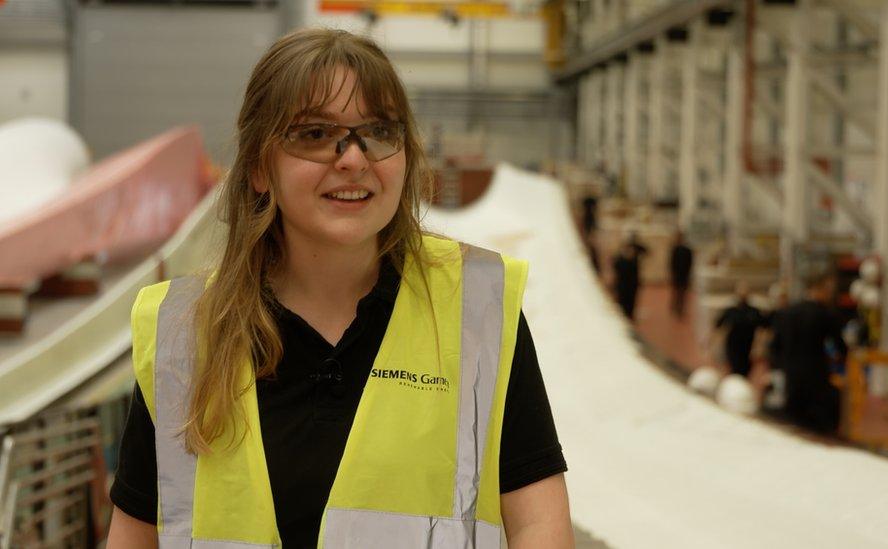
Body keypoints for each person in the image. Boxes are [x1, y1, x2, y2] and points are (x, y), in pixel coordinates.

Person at [106, 29, 572, 549]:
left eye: (377, 131)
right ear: (261, 166)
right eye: (314, 134)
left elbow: (539, 525)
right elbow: (136, 536)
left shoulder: (477, 310)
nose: (353, 159)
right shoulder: (185, 335)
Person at [769, 271, 847, 435]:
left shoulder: (787, 313)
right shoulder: (825, 314)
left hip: (791, 373)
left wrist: (778, 368)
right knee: (816, 424)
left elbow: (775, 346)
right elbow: (840, 347)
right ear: (819, 289)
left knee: (793, 423)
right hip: (816, 375)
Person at [712, 282, 766, 378]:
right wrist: (715, 346)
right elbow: (719, 326)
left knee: (746, 372)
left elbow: (763, 328)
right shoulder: (731, 311)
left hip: (748, 347)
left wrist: (759, 347)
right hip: (733, 347)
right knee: (735, 371)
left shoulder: (754, 311)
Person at [611, 234, 647, 320]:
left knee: (631, 303)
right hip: (623, 286)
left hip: (632, 285)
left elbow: (646, 250)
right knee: (622, 303)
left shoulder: (634, 259)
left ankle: (630, 317)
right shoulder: (621, 259)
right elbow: (616, 268)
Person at [668, 231, 693, 319]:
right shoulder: (675, 249)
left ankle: (680, 309)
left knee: (682, 293)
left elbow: (690, 263)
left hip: (684, 274)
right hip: (677, 274)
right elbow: (671, 262)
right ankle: (675, 307)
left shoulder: (687, 250)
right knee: (676, 292)